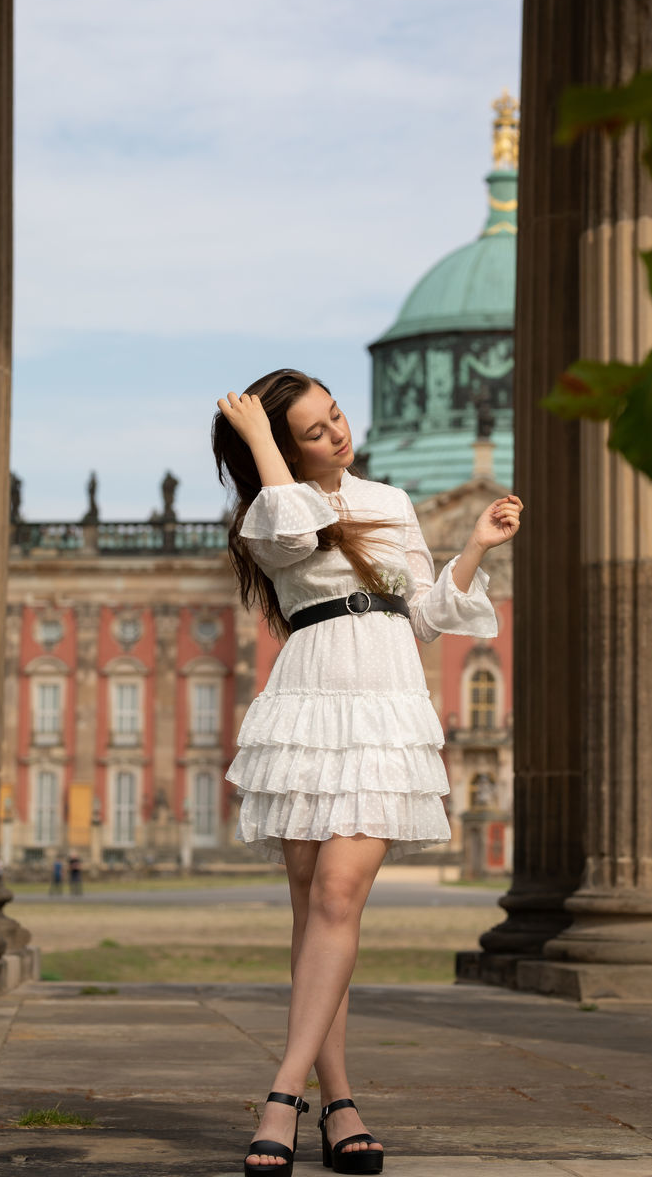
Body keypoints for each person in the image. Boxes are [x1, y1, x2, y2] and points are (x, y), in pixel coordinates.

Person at [213, 370, 522, 1177]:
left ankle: (283, 1095)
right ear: (281, 448)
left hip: (383, 702)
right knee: (316, 913)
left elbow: (423, 616)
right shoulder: (264, 514)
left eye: (337, 415)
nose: (337, 435)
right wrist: (256, 446)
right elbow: (293, 532)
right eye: (313, 431)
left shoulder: (389, 501)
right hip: (312, 703)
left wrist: (477, 547)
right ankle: (341, 1101)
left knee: (338, 896)